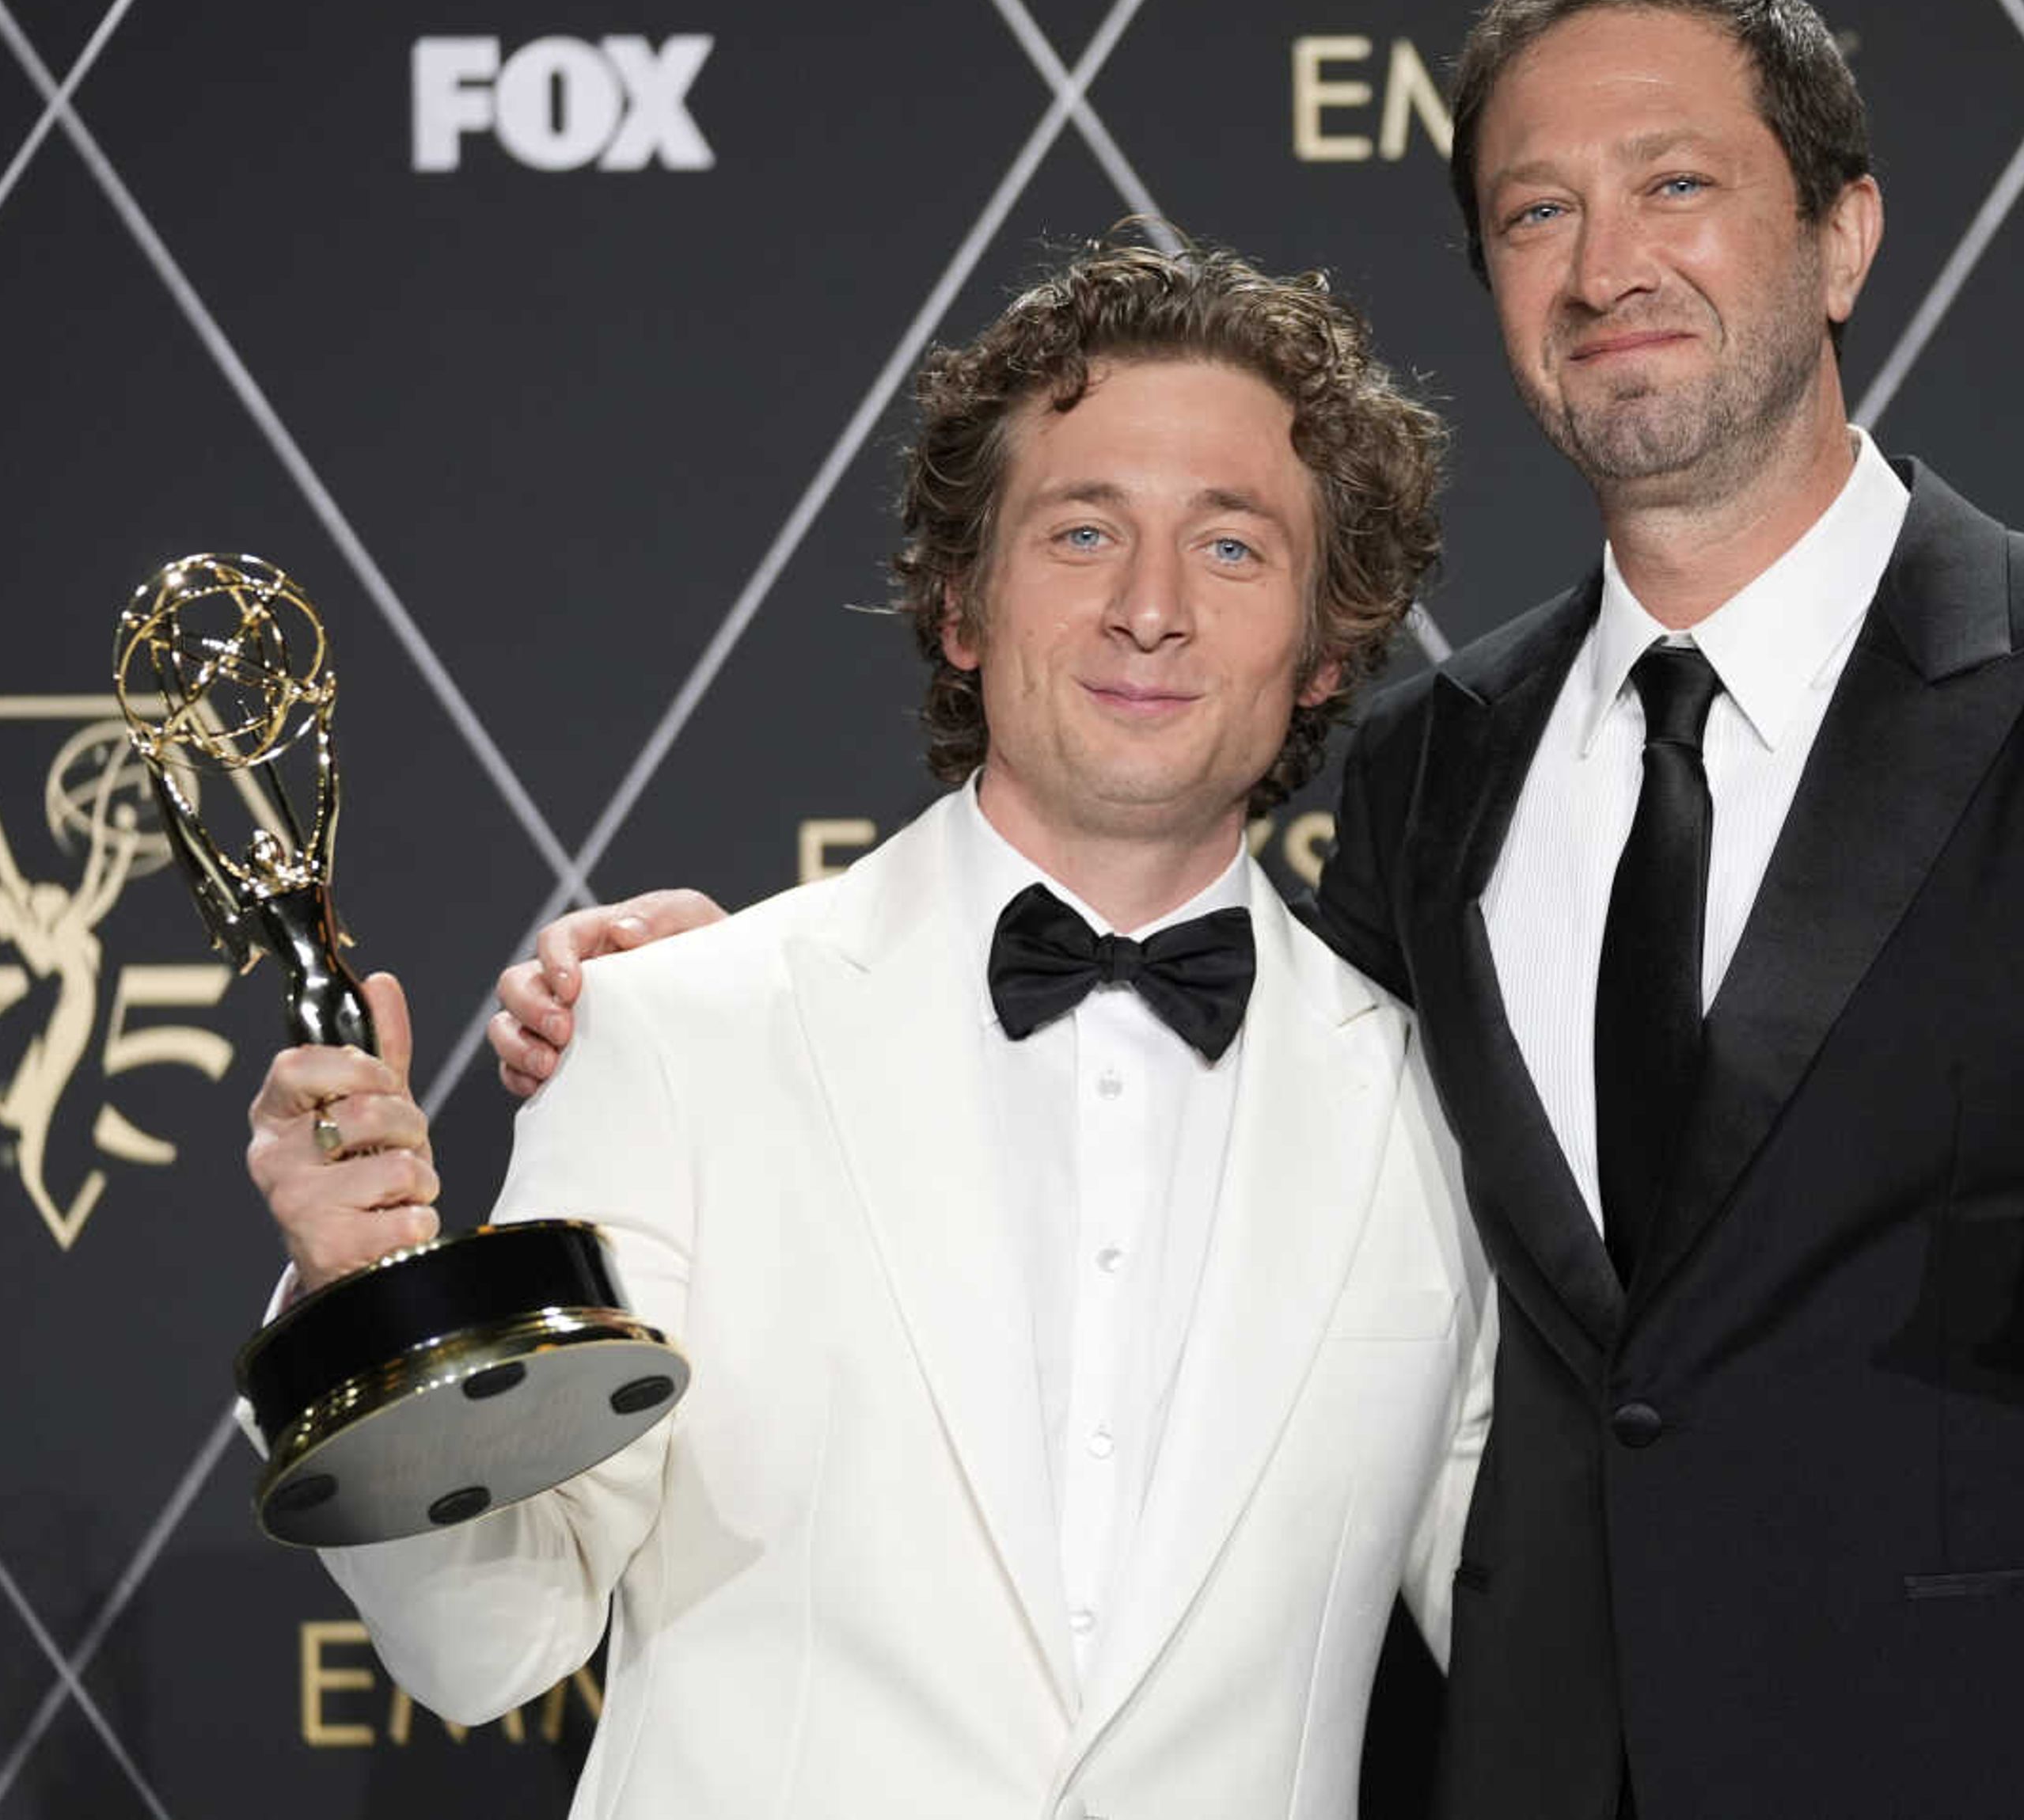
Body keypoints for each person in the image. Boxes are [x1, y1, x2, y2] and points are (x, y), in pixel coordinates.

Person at [498, 0, 2024, 1820]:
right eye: (1538, 212)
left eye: (1676, 186)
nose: (1605, 262)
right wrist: (729, 1003)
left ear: (1845, 233)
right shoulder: (1421, 774)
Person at [243, 239, 1489, 1820]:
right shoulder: (672, 1035)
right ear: (960, 604)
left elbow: (1554, 1639)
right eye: (1083, 530)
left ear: (1327, 644)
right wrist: (364, 1309)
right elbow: (493, 1639)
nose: (1151, 609)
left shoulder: (1444, 1109)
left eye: (1233, 548)